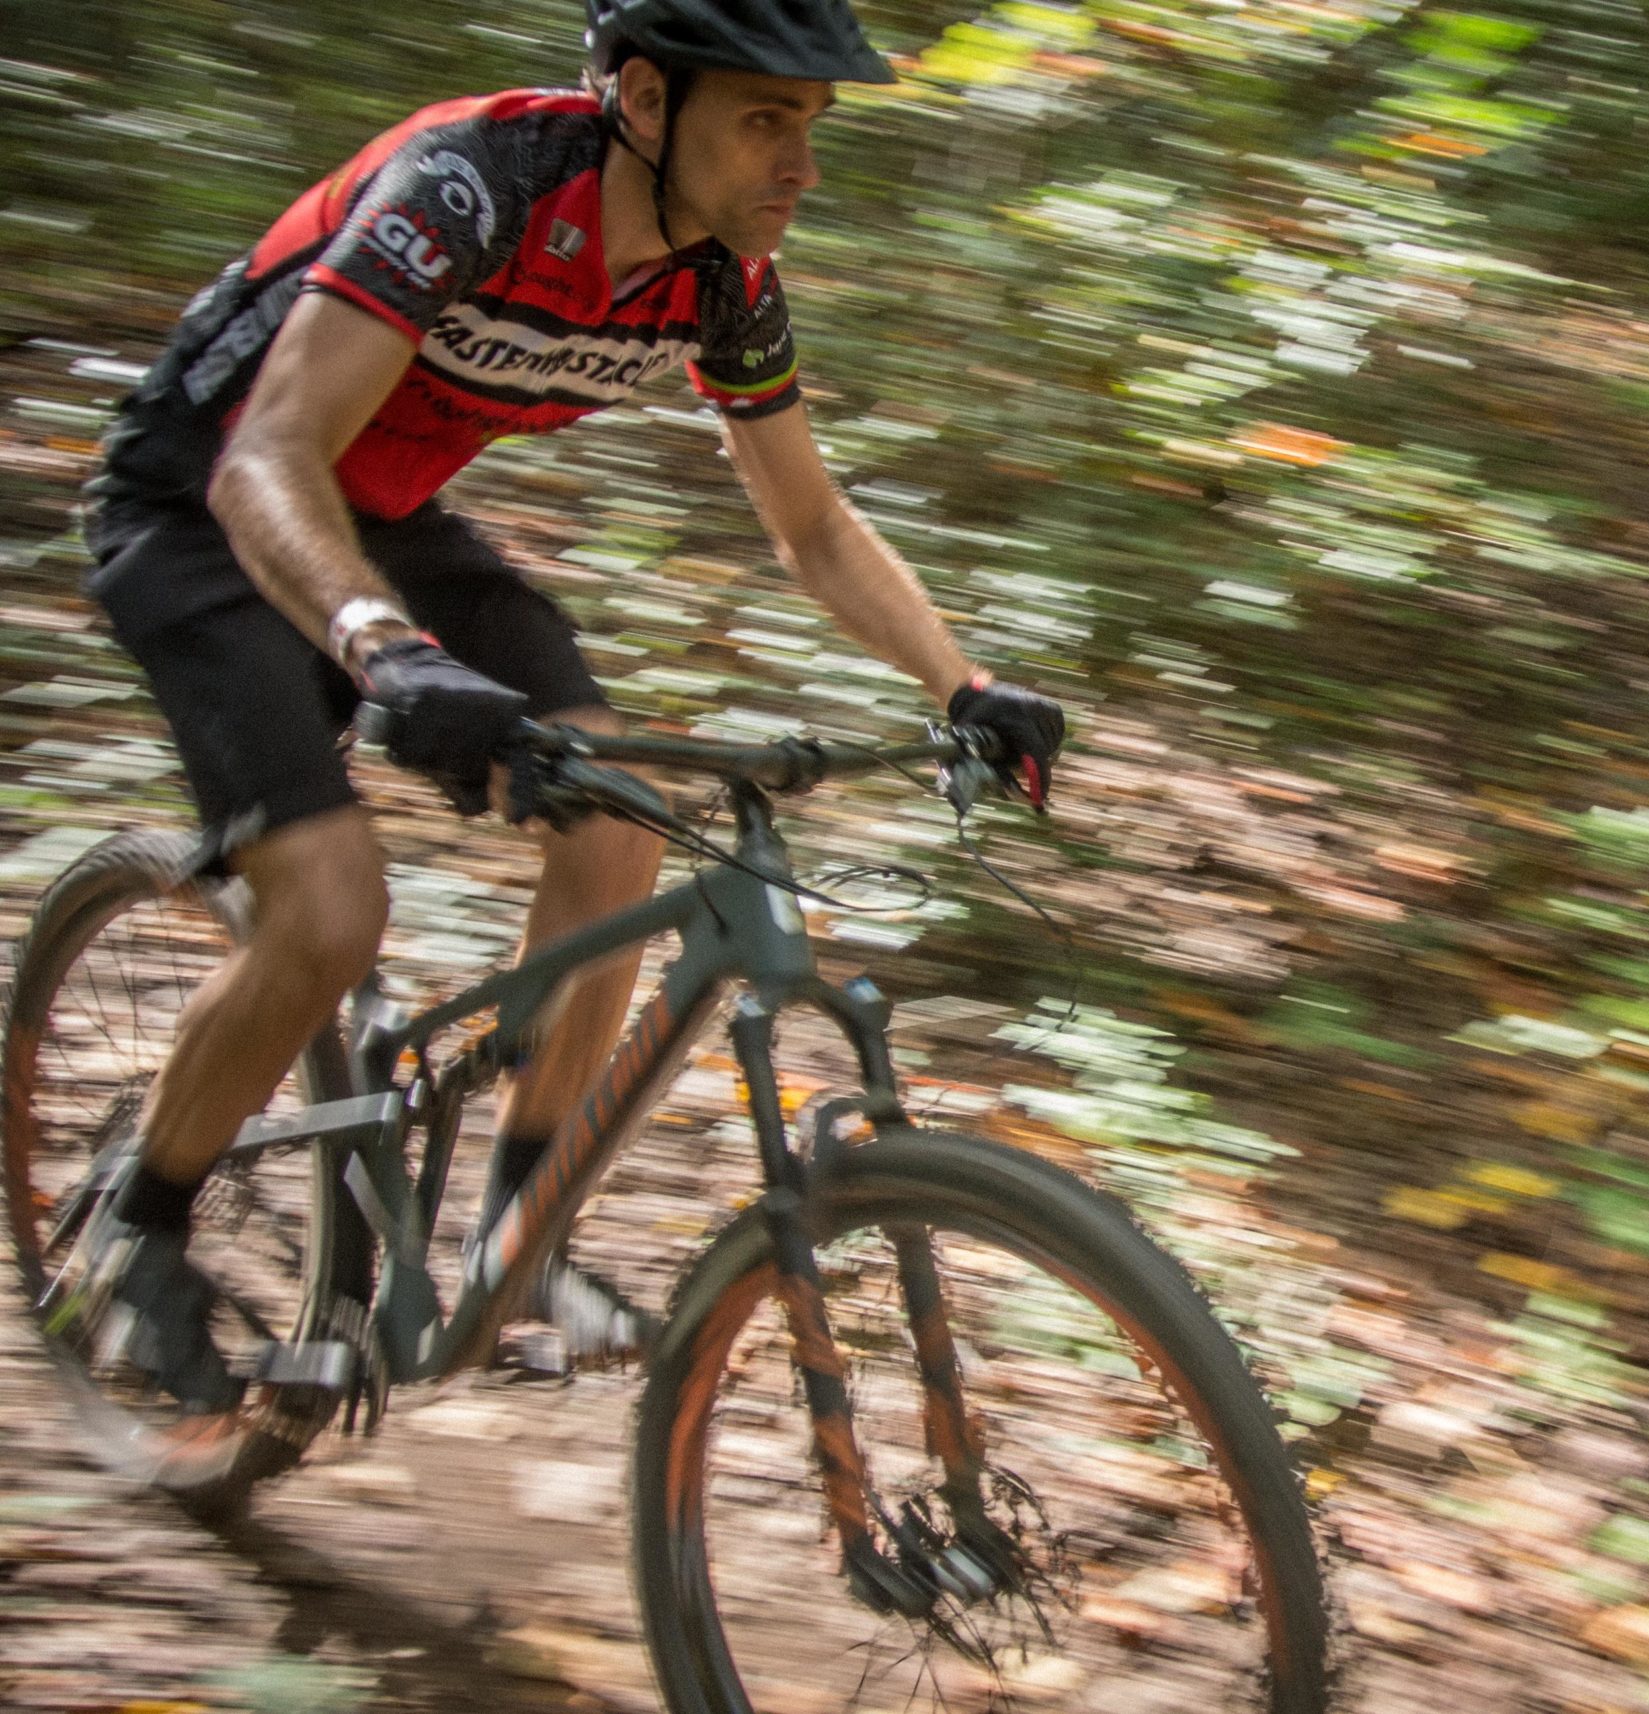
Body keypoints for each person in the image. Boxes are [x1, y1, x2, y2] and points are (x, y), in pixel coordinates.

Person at [74, 0, 1066, 1410]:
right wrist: (382, 650)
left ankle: (521, 1241)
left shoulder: (723, 281)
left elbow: (813, 527)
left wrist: (962, 683)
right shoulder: (473, 188)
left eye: (812, 127)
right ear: (648, 104)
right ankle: (138, 1231)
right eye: (765, 120)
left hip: (380, 514)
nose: (803, 164)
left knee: (619, 820)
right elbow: (267, 457)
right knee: (331, 906)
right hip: (206, 501)